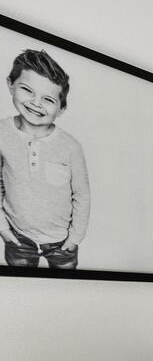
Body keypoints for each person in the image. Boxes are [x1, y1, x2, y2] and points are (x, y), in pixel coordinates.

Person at [0, 49, 90, 269]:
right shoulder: (1, 132)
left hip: (61, 243)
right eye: (27, 90)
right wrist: (3, 229)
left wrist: (73, 240)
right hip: (19, 238)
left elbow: (82, 195)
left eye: (48, 99)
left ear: (61, 108)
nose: (36, 103)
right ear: (10, 84)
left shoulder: (71, 147)